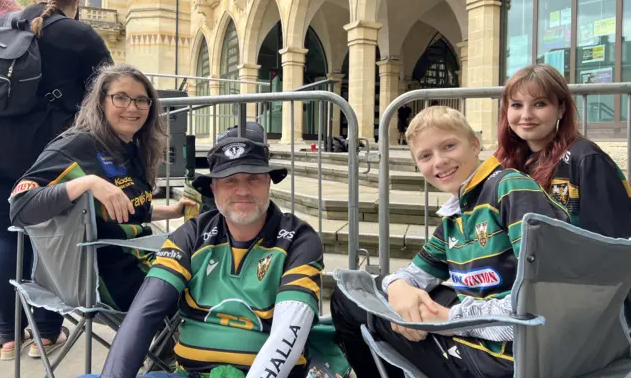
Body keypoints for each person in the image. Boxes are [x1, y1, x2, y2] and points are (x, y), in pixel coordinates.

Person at [331, 106, 569, 378]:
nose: (439, 161)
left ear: (475, 144)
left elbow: (545, 301)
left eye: (449, 146)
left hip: (513, 360)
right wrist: (398, 288)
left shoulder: (510, 188)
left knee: (347, 301)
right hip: (487, 341)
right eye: (425, 156)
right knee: (369, 291)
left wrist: (449, 319)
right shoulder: (456, 213)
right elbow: (415, 274)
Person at [89, 136, 324, 378]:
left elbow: (289, 330)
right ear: (214, 188)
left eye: (254, 179)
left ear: (268, 183)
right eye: (230, 180)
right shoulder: (192, 234)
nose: (243, 191)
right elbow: (146, 311)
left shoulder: (299, 238)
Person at [9, 64, 193, 349]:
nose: (132, 107)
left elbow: (124, 209)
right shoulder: (76, 146)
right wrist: (85, 184)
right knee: (198, 296)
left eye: (142, 99)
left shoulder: (133, 148)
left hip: (141, 259)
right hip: (101, 274)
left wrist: (171, 211)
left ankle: (171, 356)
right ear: (101, 101)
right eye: (121, 97)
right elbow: (20, 208)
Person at [0, 0, 113, 361]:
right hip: (49, 158)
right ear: (75, 0)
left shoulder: (2, 26)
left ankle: (9, 336)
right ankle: (44, 332)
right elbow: (109, 95)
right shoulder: (80, 36)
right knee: (49, 242)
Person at [496, 64, 631, 238]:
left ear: (561, 109)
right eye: (516, 105)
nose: (526, 114)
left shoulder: (587, 160)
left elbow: (612, 244)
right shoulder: (504, 162)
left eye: (539, 104)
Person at [0, 0, 22, 337]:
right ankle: (43, 329)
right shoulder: (14, 36)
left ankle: (8, 336)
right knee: (31, 237)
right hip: (18, 150)